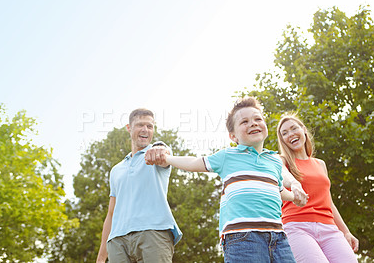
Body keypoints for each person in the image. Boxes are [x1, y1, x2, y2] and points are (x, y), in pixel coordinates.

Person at [145, 97, 308, 263]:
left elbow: (277, 190)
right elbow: (194, 162)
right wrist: (167, 159)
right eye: (244, 121)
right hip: (243, 237)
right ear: (233, 136)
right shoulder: (227, 156)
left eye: (258, 119)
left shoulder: (273, 160)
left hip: (278, 238)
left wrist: (295, 196)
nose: (253, 123)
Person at [96, 108, 182, 263]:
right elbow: (111, 213)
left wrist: (162, 148)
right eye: (140, 125)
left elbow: (164, 151)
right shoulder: (116, 170)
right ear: (129, 128)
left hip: (153, 233)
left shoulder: (156, 155)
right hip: (117, 241)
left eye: (150, 126)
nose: (145, 130)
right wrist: (101, 257)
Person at [277, 113, 359, 263]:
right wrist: (294, 183)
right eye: (285, 133)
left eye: (294, 128)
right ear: (282, 140)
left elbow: (329, 202)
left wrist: (346, 232)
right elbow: (281, 172)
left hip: (329, 228)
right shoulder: (282, 160)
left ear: (303, 130)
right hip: (296, 227)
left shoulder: (320, 164)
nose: (290, 134)